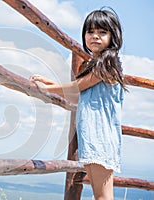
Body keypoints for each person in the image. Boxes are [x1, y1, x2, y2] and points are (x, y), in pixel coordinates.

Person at [30, 9, 127, 200]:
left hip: (101, 137)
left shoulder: (109, 63)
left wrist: (47, 88)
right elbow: (79, 95)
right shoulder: (96, 62)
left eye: (102, 32)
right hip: (92, 137)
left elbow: (76, 88)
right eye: (90, 32)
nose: (95, 37)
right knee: (100, 195)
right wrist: (50, 83)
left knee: (103, 197)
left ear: (113, 36)